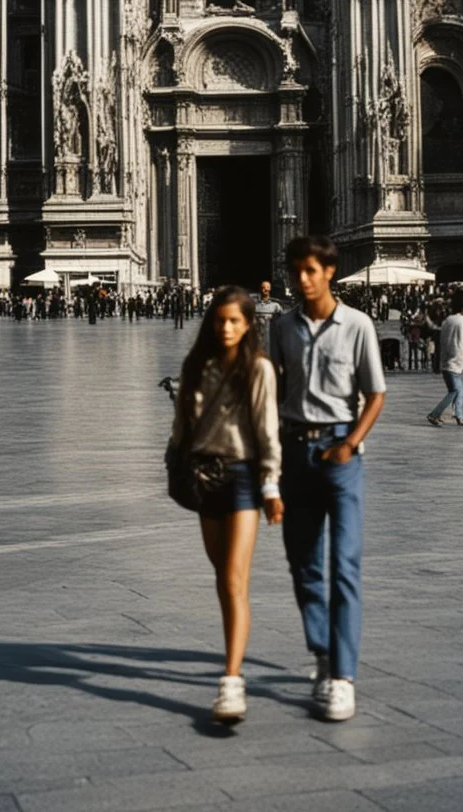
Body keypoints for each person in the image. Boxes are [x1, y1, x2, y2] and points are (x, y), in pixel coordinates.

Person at [269, 235, 385, 724]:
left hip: (340, 453)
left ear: (330, 272)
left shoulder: (358, 325)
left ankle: (343, 677)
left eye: (310, 270)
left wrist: (349, 443)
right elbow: (272, 393)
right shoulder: (280, 327)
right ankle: (321, 653)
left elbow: (375, 394)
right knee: (304, 565)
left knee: (345, 565)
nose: (302, 279)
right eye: (295, 270)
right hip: (295, 451)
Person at [169, 285, 283, 723]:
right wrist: (177, 463)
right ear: (210, 322)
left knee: (235, 578)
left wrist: (271, 487)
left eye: (236, 320)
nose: (227, 327)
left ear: (249, 324)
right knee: (222, 575)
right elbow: (182, 427)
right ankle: (232, 665)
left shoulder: (258, 369)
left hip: (243, 478)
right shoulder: (196, 366)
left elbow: (268, 430)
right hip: (204, 477)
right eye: (220, 320)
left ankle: (231, 681)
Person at [427, 288, 463, 427]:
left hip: (446, 361)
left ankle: (459, 416)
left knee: (458, 389)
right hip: (457, 361)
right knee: (455, 390)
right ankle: (434, 414)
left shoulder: (447, 321)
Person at [254, 279, 282, 353]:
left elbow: (281, 324)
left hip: (271, 338)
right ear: (260, 289)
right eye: (263, 287)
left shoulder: (276, 306)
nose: (266, 289)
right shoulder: (255, 306)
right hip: (258, 338)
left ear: (270, 289)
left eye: (268, 287)